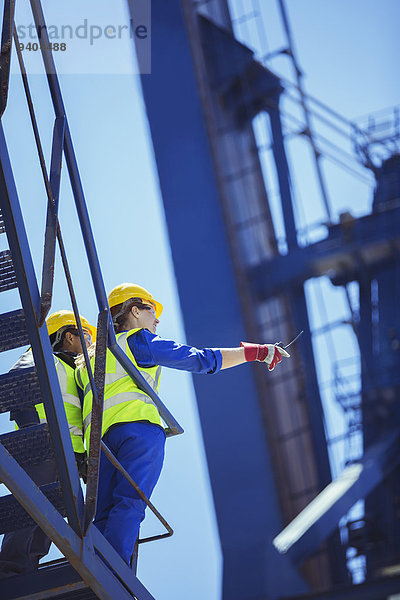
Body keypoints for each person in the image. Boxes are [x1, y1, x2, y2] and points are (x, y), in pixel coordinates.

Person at [75, 283, 289, 566]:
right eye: (152, 310)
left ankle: (94, 569)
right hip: (137, 433)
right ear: (135, 311)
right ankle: (112, 572)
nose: (157, 319)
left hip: (99, 446)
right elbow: (201, 360)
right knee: (129, 503)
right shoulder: (137, 341)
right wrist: (256, 352)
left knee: (101, 513)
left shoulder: (85, 360)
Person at [0, 310, 96, 577]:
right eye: (86, 335)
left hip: (67, 458)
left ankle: (26, 570)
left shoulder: (74, 374)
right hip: (43, 447)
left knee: (47, 524)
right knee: (29, 511)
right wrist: (33, 431)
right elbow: (16, 384)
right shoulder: (44, 357)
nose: (90, 343)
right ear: (68, 336)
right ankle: (9, 570)